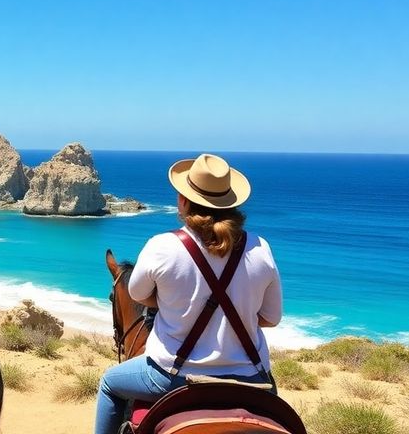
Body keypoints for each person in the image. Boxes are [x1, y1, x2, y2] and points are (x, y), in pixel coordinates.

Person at [94, 154, 282, 434]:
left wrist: (174, 303)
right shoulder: (260, 248)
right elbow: (270, 318)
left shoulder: (162, 246)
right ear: (231, 203)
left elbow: (138, 295)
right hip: (252, 378)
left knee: (109, 384)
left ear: (183, 201)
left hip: (172, 377)